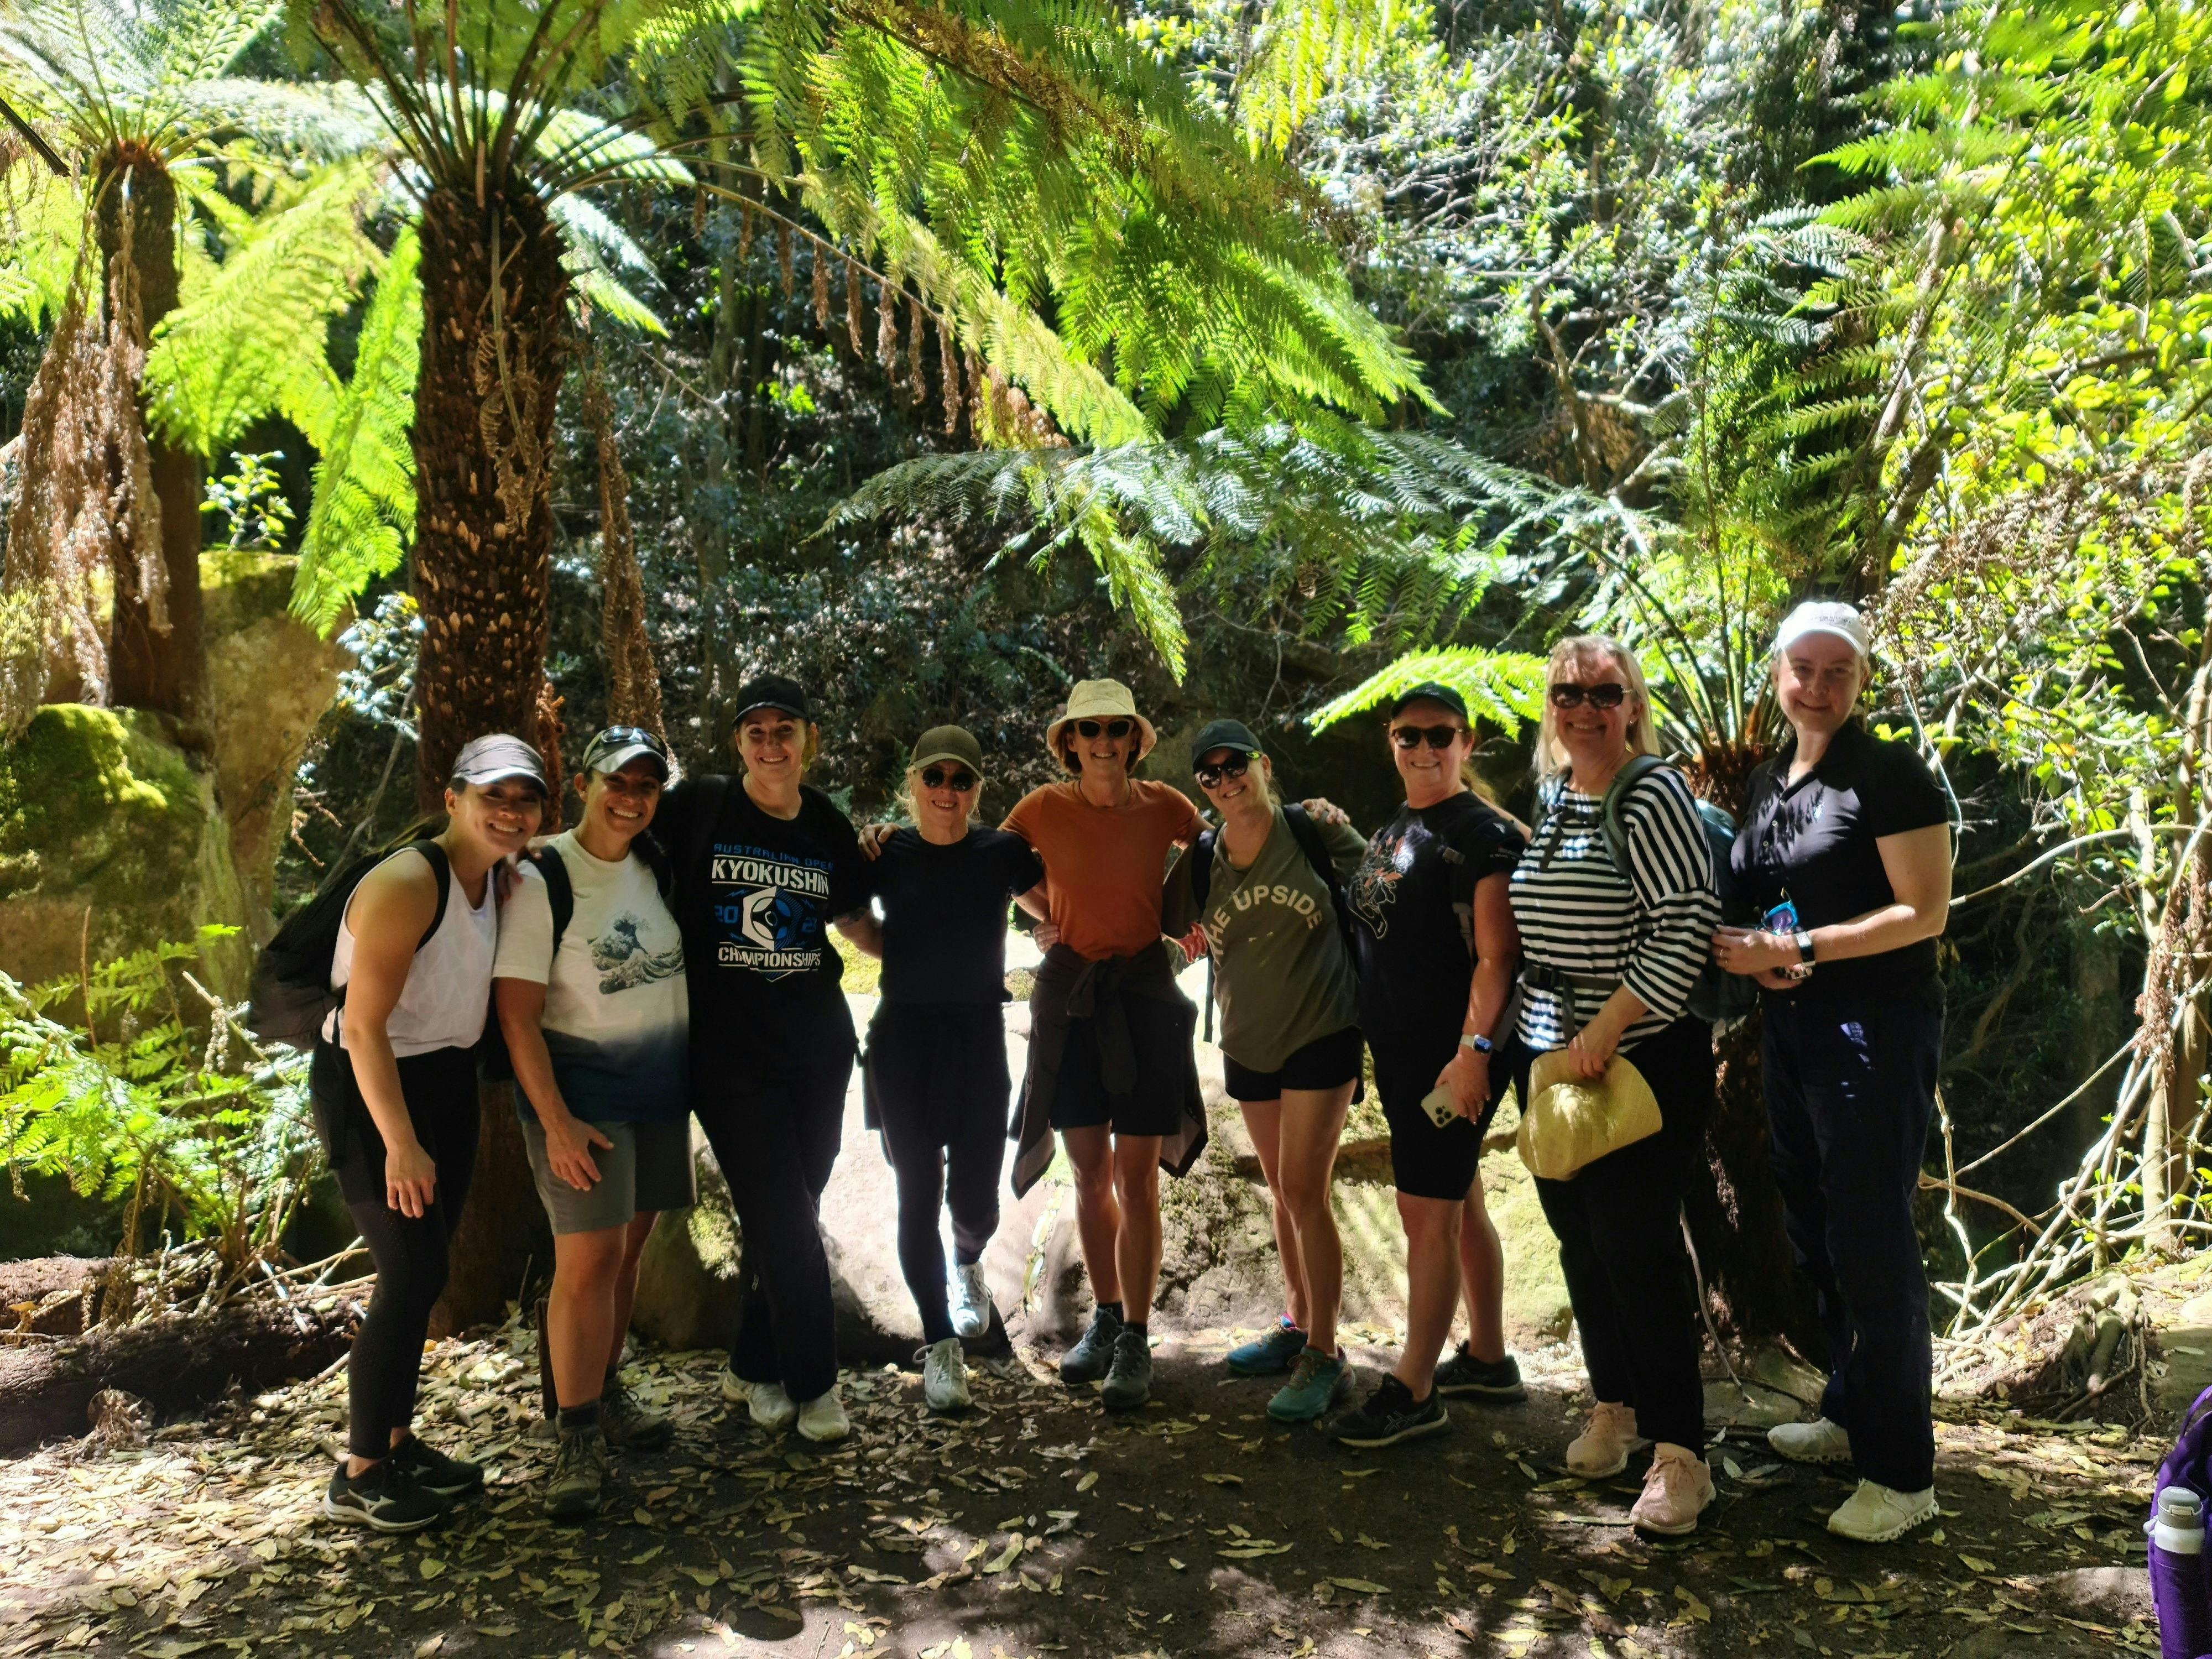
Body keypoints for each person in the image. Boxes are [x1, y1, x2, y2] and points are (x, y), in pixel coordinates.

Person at [1710, 601, 1951, 1544]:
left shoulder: (1887, 774)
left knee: (1871, 1241)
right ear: (1778, 675)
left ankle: (1903, 1476)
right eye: (1801, 669)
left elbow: (1922, 910)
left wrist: (1802, 945)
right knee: (1814, 1226)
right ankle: (1852, 1414)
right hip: (1796, 1030)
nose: (1815, 685)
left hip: (1874, 1032)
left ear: (1860, 682)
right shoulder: (1773, 780)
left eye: (1835, 671)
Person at [1509, 637, 1722, 1536]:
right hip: (1554, 1053)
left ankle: (1682, 1455)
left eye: (1604, 692)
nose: (1584, 708)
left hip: (1640, 1052)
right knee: (1581, 1241)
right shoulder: (1559, 797)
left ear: (1632, 703)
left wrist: (1613, 1020)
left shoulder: (1652, 791)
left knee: (1636, 1244)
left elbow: (1685, 920)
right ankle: (1619, 1409)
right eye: (1568, 693)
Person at [317, 734, 547, 1532]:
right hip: (372, 1085)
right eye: (494, 797)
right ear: (453, 800)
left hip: (442, 1079)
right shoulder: (411, 882)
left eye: (524, 799)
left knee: (427, 1269)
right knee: (410, 1272)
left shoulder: (499, 877)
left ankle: (395, 1441)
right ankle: (359, 1472)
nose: (510, 812)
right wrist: (400, 1143)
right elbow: (361, 1026)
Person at [651, 677, 880, 1444]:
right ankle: (816, 1387)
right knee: (784, 1215)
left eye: (787, 730)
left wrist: (940, 961)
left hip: (818, 1048)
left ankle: (750, 1365)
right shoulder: (701, 808)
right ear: (738, 743)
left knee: (789, 1214)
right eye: (758, 731)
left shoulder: (826, 822)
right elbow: (617, 847)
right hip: (727, 1055)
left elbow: (853, 918)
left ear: (808, 739)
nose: (772, 744)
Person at [493, 726, 692, 1520]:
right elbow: (516, 1017)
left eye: (647, 786)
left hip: (658, 1091)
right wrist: (558, 1123)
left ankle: (605, 1393)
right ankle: (573, 1433)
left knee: (631, 1247)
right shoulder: (543, 875)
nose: (632, 798)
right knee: (586, 1260)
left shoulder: (655, 863)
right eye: (619, 781)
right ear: (583, 783)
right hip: (581, 1099)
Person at [1324, 682, 1528, 1448]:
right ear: (1391, 742)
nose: (1424, 749)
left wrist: (1473, 1056)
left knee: (1426, 1216)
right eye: (1409, 736)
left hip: (1454, 1054)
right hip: (1408, 1053)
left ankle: (1415, 1388)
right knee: (1458, 1199)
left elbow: (1497, 956)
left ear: (1467, 744)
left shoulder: (1483, 834)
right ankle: (1487, 1358)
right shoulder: (1403, 825)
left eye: (1441, 736)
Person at [1004, 679, 1206, 1411]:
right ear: (1069, 744)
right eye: (1088, 733)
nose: (1102, 744)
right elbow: (1001, 859)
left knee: (1137, 1178)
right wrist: (1044, 913)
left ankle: (1137, 1338)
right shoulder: (1039, 809)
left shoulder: (1166, 806)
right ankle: (1110, 1317)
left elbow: (1215, 855)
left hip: (1145, 995)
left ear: (1131, 739)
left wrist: (1197, 919)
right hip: (1073, 999)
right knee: (1089, 1173)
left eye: (1115, 730)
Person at [1163, 719, 1369, 1422]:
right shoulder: (1200, 858)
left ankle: (1326, 1354)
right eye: (1209, 775)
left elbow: (1389, 888)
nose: (1225, 781)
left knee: (1307, 1189)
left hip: (1322, 1030)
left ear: (1263, 765)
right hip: (1247, 1043)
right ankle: (1297, 1322)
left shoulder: (1311, 831)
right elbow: (1164, 925)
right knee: (1283, 1189)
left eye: (1235, 765)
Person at [853, 726, 1044, 1412]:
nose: (945, 791)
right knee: (916, 1193)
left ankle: (967, 1265)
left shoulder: (1001, 853)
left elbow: (1050, 905)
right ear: (912, 783)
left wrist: (1051, 930)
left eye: (960, 780)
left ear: (976, 791)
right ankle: (940, 1349)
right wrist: (895, 950)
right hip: (902, 1040)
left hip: (976, 1040)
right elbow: (848, 915)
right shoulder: (886, 850)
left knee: (975, 1199)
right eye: (933, 777)